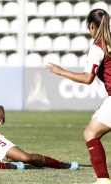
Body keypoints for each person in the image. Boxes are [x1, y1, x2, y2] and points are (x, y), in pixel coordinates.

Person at [46, 8, 111, 184]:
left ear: (91, 26)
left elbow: (87, 78)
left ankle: (103, 180)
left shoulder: (98, 48)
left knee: (90, 133)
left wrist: (61, 71)